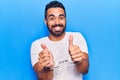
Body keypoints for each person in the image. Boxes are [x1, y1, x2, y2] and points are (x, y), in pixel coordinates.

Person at [30, 1, 89, 80]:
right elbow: (42, 78)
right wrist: (48, 67)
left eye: (61, 17)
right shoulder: (37, 45)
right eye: (52, 18)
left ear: (65, 19)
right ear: (45, 21)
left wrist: (79, 61)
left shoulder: (77, 37)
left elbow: (85, 70)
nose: (57, 22)